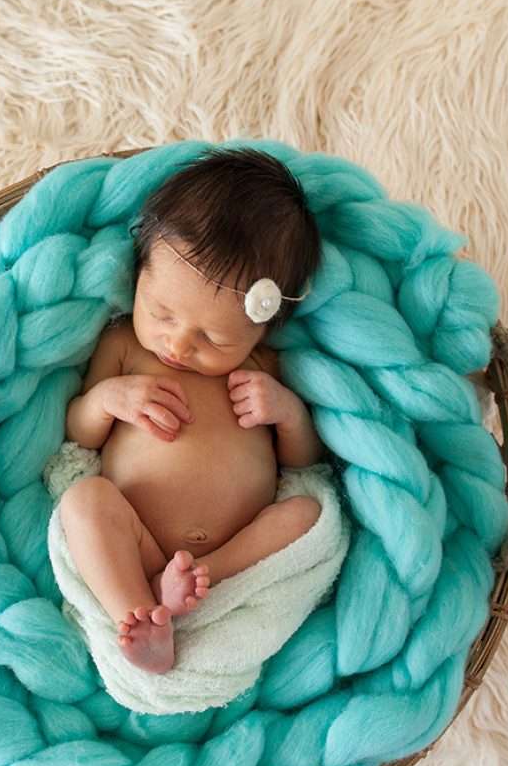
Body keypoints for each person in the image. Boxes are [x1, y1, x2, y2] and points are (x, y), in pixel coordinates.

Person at [58, 148, 327, 674]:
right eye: (159, 312)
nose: (178, 344)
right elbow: (79, 435)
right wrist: (108, 400)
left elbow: (302, 464)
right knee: (84, 500)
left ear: (262, 326)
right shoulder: (124, 347)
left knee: (307, 513)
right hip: (136, 535)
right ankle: (137, 616)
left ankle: (195, 579)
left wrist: (288, 414)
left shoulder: (263, 365)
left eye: (212, 336)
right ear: (139, 275)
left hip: (234, 552)